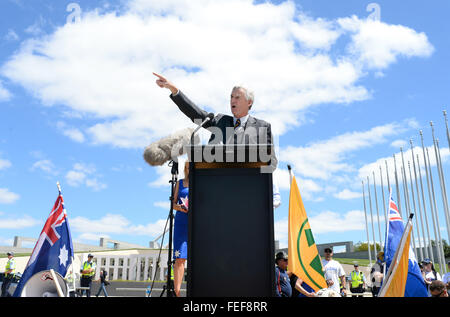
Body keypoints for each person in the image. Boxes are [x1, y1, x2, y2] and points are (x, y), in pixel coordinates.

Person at [153, 73, 276, 169]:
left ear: (249, 102)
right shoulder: (220, 121)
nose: (233, 101)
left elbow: (270, 162)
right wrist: (174, 90)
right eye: (231, 97)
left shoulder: (262, 127)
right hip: (217, 186)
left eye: (237, 97)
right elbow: (196, 113)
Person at [172, 161, 189, 297]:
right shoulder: (180, 183)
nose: (190, 170)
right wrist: (181, 207)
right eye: (188, 167)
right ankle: (177, 292)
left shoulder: (200, 182)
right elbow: (173, 204)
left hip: (196, 222)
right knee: (180, 258)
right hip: (181, 222)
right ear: (185, 169)